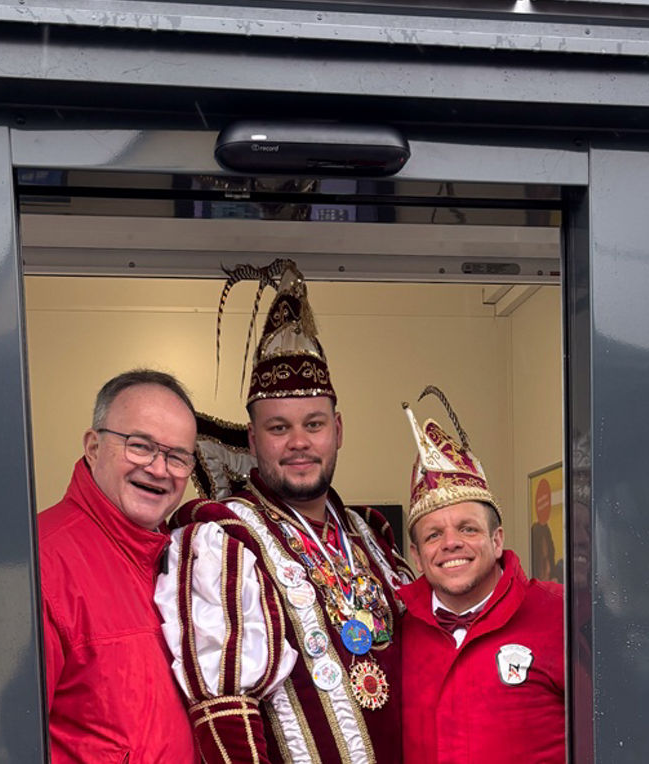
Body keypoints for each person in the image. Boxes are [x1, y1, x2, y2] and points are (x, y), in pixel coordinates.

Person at [156, 259, 413, 763]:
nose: (299, 443)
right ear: (253, 439)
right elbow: (226, 709)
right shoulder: (226, 536)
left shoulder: (370, 534)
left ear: (338, 431)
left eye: (313, 424)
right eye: (278, 428)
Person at [397, 387, 566, 764]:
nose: (451, 543)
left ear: (497, 539)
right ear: (417, 557)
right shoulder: (394, 632)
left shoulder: (562, 614)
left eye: (468, 529)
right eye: (433, 535)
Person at [39, 369, 200, 764]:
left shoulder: (191, 563)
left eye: (177, 457)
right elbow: (3, 741)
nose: (159, 469)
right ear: (93, 447)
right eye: (140, 446)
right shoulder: (42, 562)